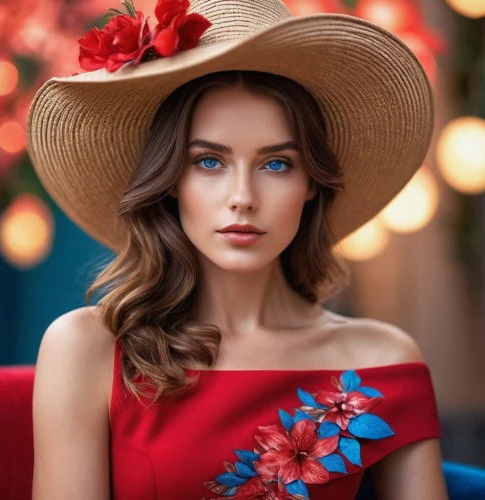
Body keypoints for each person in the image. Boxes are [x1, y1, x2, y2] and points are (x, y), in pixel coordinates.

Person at [27, 0, 448, 499]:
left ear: (312, 182)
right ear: (169, 181)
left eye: (276, 165)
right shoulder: (90, 349)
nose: (243, 198)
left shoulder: (382, 360)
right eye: (209, 161)